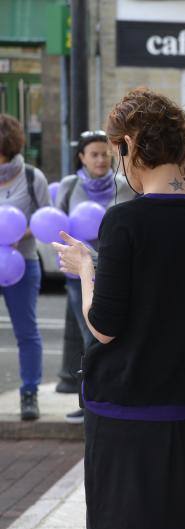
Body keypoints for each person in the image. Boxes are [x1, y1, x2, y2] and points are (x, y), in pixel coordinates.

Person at [54, 88, 185, 529]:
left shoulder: (125, 221)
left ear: (131, 146)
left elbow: (103, 327)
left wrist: (86, 267)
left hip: (129, 416)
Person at [55, 130, 137, 424]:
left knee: (112, 335)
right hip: (80, 271)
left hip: (116, 271)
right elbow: (56, 223)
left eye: (105, 154)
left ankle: (112, 394)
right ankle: (89, 398)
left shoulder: (125, 186)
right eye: (94, 154)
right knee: (89, 335)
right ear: (82, 158)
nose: (101, 160)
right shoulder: (69, 185)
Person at [0, 114, 49, 421]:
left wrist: (20, 233)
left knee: (26, 332)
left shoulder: (32, 177)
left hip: (22, 265)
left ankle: (29, 394)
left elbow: (46, 220)